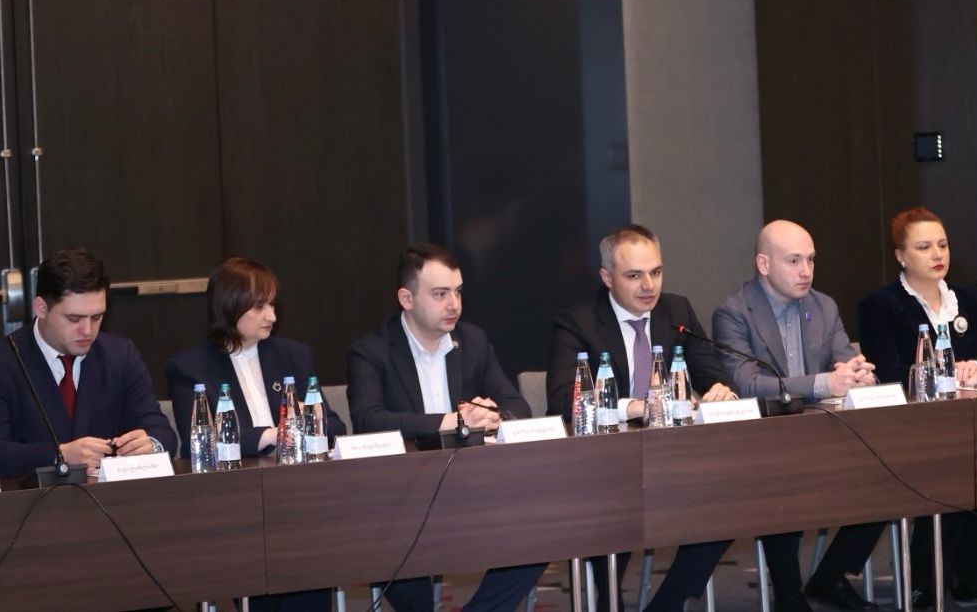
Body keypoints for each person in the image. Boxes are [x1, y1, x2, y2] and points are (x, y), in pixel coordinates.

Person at [548, 224, 737, 612]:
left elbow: (713, 373)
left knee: (731, 503)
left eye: (656, 272)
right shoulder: (577, 322)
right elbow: (565, 401)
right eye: (634, 275)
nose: (649, 285)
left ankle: (667, 603)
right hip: (606, 465)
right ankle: (609, 600)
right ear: (607, 277)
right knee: (615, 513)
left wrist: (720, 389)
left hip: (674, 459)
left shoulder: (677, 311)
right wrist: (632, 408)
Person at [347, 243, 543, 612]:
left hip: (476, 489)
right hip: (403, 496)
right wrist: (450, 421)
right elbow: (367, 419)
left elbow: (518, 405)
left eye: (458, 292)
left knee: (541, 533)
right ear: (406, 298)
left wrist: (494, 414)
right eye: (440, 294)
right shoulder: (372, 351)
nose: (454, 304)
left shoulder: (473, 341)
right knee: (390, 552)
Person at [712, 220, 881, 612]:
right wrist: (825, 383)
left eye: (811, 260)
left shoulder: (823, 306)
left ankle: (830, 577)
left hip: (824, 434)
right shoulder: (734, 313)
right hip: (765, 442)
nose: (806, 271)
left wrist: (860, 375)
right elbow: (748, 384)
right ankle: (789, 596)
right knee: (782, 484)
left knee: (884, 474)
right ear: (763, 264)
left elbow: (844, 362)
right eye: (793, 261)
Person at [857, 208, 977, 607]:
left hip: (972, 419)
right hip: (913, 426)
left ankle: (968, 578)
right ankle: (927, 583)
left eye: (942, 245)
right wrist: (944, 371)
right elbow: (886, 371)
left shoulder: (969, 299)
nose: (937, 254)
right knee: (948, 471)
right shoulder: (880, 305)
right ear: (900, 256)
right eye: (924, 247)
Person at [0, 248, 176, 478]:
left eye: (97, 317)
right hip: (30, 497)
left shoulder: (120, 355)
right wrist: (60, 455)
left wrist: (151, 445)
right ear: (41, 308)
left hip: (108, 496)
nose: (87, 331)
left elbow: (162, 432)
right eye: (74, 319)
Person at [166, 256, 346, 460]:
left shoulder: (293, 355)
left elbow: (336, 429)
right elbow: (197, 443)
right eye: (259, 307)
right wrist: (269, 436)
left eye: (272, 305)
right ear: (229, 306)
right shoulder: (189, 368)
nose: (272, 317)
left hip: (296, 471)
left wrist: (313, 418)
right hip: (235, 475)